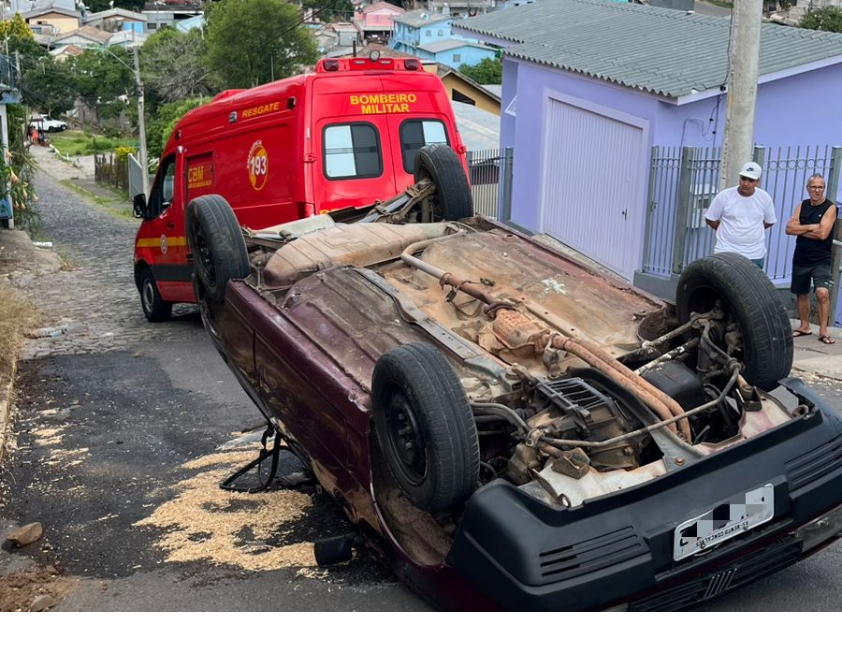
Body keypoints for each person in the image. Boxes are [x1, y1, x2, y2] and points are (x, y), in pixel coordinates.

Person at [786, 174, 838, 344]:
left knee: (822, 292)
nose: (817, 190)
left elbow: (823, 234)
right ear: (808, 188)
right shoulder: (802, 205)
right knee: (801, 293)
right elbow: (788, 229)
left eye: (820, 187)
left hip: (820, 259)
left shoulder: (830, 207)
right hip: (801, 256)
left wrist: (800, 229)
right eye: (814, 187)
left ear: (824, 189)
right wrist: (811, 227)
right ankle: (804, 326)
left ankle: (823, 331)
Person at [705, 161, 777, 268]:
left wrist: (752, 230)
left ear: (757, 182)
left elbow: (769, 221)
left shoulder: (764, 198)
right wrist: (725, 229)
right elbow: (710, 219)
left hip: (754, 254)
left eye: (751, 180)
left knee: (752, 284)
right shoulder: (724, 196)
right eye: (743, 178)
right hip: (726, 250)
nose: (746, 183)